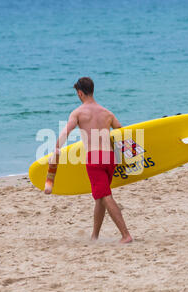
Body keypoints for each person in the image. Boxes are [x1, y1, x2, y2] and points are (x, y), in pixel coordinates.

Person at [44, 77, 133, 244]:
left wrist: (56, 150)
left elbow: (65, 133)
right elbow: (122, 132)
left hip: (95, 159)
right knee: (100, 196)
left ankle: (125, 234)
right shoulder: (107, 112)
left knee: (105, 195)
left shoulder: (78, 113)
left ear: (80, 93)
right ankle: (95, 236)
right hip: (110, 158)